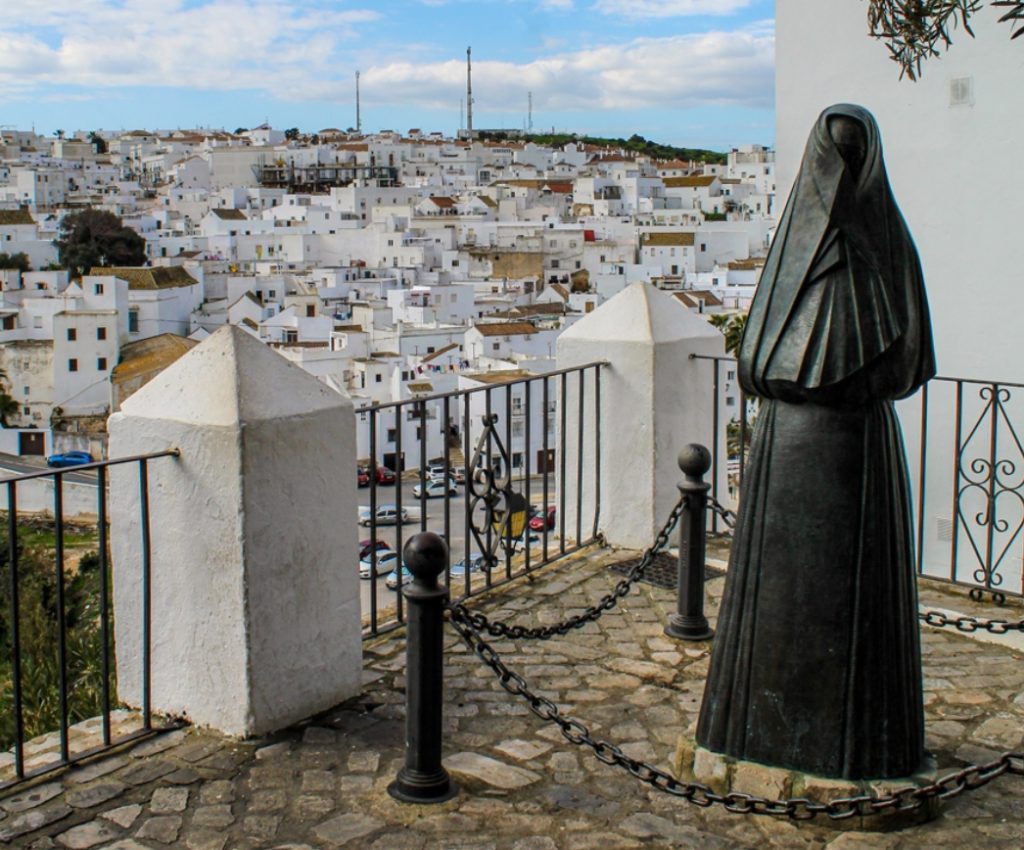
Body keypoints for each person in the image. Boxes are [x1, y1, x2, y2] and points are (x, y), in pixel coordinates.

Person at [696, 104, 935, 779]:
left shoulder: (876, 248)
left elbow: (905, 358)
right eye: (837, 156)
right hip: (795, 449)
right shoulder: (813, 248)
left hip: (847, 450)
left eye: (851, 157)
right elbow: (764, 358)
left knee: (849, 614)